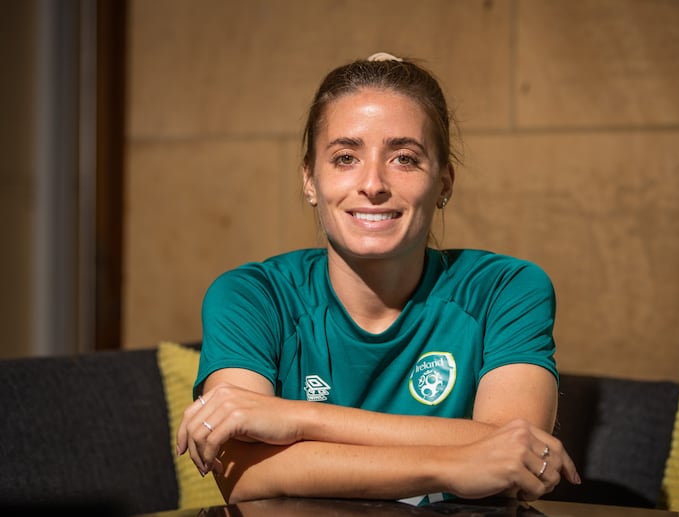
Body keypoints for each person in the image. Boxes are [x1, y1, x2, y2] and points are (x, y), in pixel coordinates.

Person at [176, 52, 581, 506]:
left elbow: (514, 458)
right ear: (310, 180)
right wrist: (455, 462)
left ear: (444, 182)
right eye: (345, 157)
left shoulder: (506, 289)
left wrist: (295, 419)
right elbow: (243, 477)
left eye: (404, 158)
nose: (373, 183)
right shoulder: (252, 296)